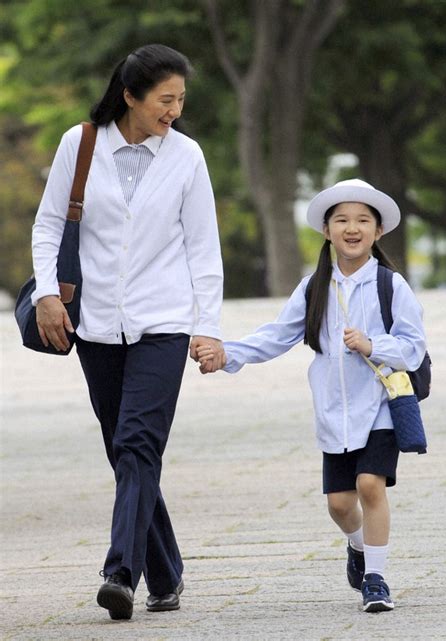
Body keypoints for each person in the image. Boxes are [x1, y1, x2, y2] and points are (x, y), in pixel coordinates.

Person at [31, 43, 226, 620]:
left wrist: (207, 327)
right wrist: (46, 292)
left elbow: (204, 249)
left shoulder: (187, 156)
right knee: (125, 450)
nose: (175, 110)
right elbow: (47, 224)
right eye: (165, 99)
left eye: (181, 100)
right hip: (94, 325)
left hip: (162, 323)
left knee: (139, 443)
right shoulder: (81, 143)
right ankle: (167, 573)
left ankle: (121, 570)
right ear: (130, 97)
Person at [197, 179, 427, 613]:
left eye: (363, 220)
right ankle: (358, 546)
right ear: (327, 230)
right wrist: (228, 353)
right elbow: (278, 336)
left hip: (380, 405)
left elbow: (414, 347)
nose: (352, 228)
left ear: (378, 232)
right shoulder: (313, 287)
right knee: (341, 505)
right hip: (333, 414)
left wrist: (373, 344)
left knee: (370, 485)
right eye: (342, 220)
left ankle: (376, 580)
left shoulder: (391, 286)